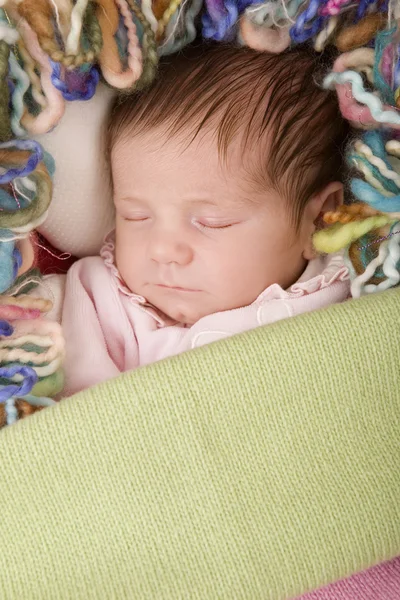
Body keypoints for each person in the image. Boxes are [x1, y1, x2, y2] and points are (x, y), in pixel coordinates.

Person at [45, 43, 351, 397]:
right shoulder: (101, 301)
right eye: (136, 216)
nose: (163, 250)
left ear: (321, 220)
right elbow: (83, 415)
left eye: (212, 221)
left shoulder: (348, 297)